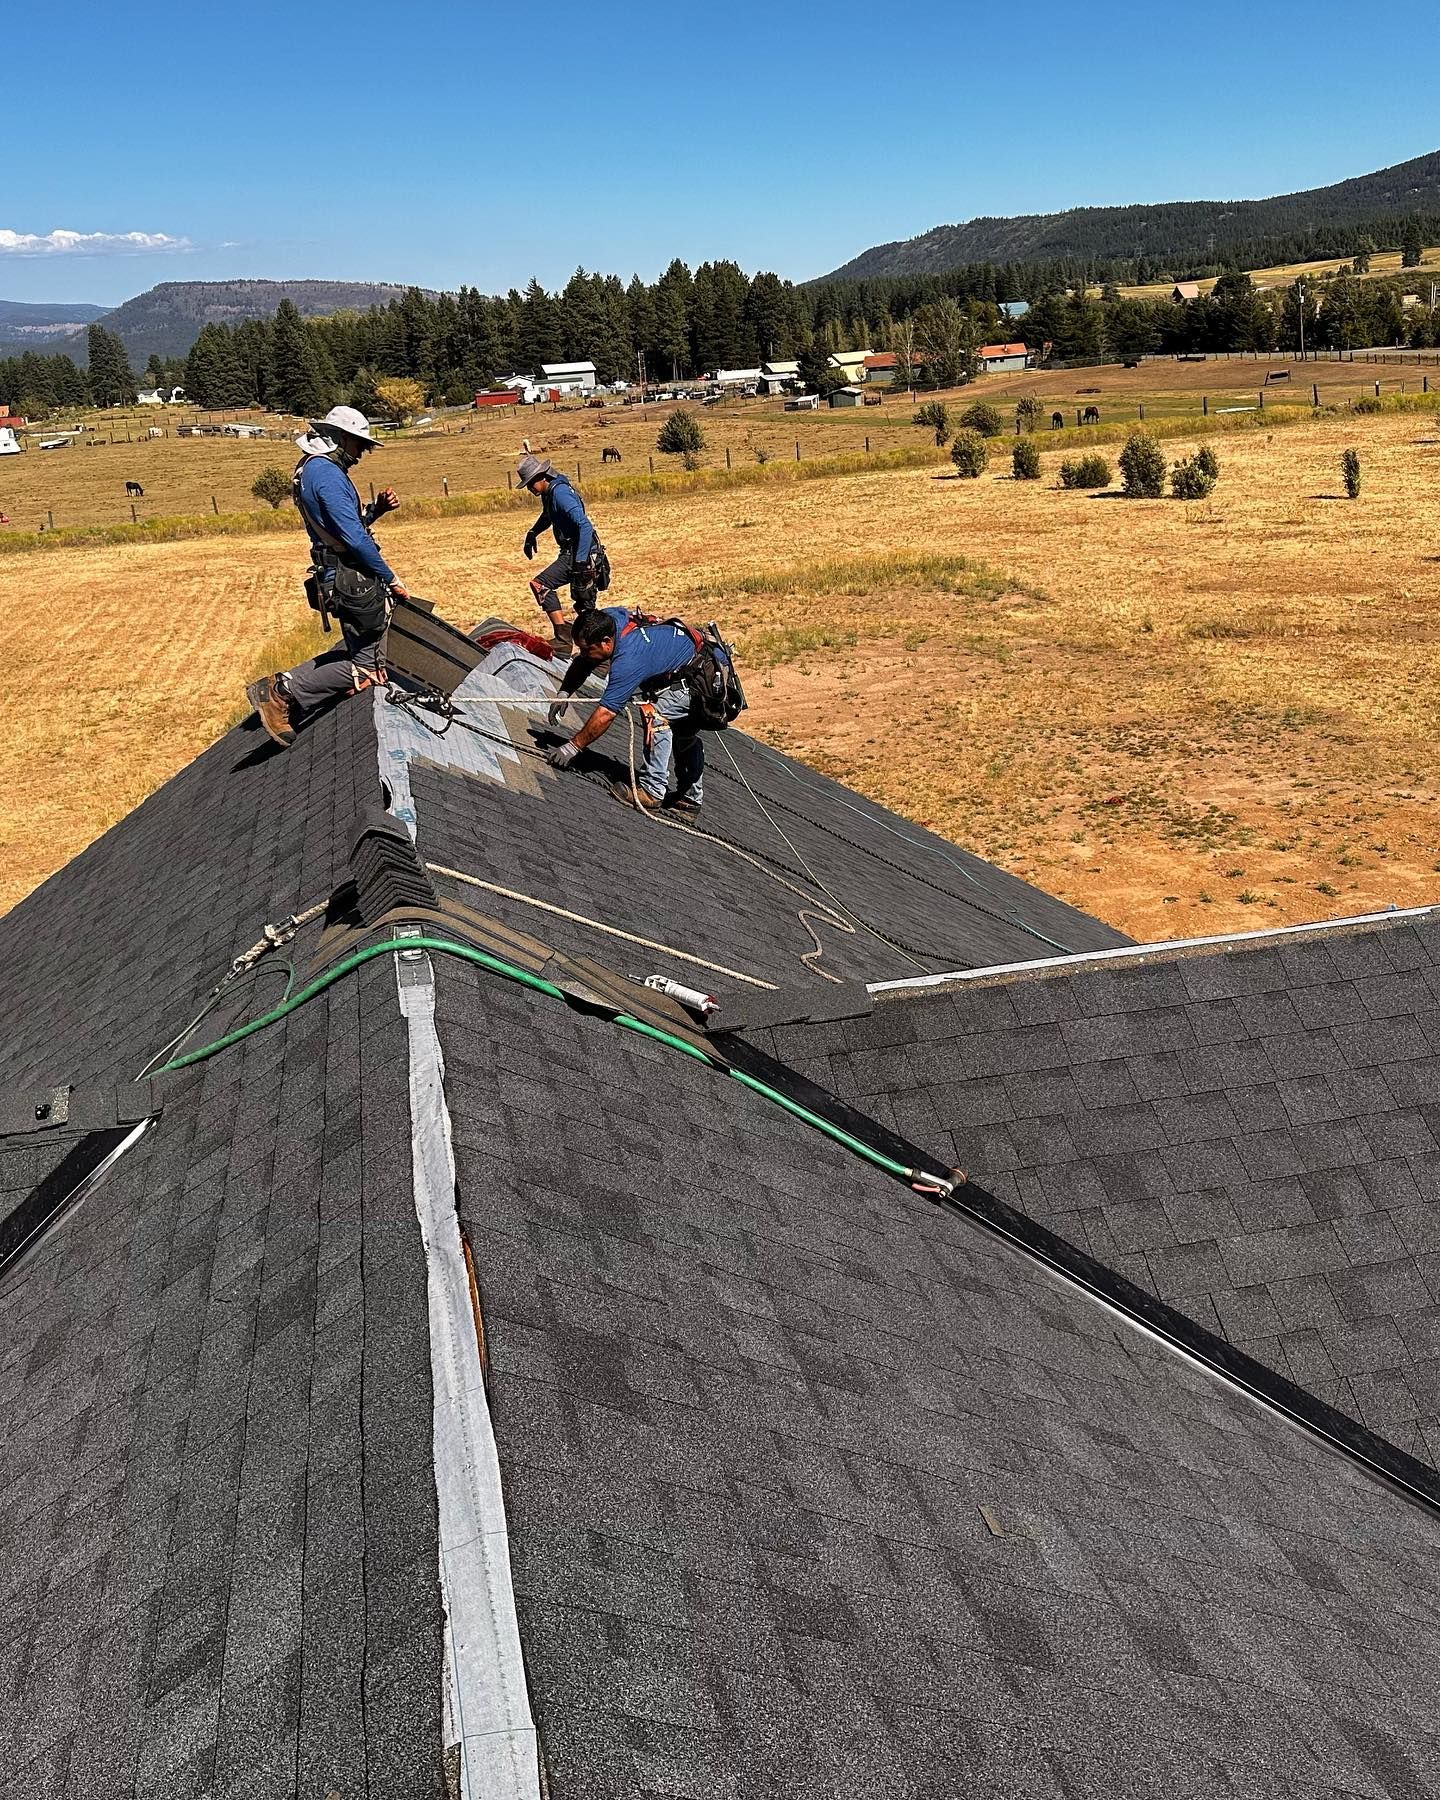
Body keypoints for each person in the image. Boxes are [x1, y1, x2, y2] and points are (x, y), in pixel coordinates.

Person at [248, 405, 411, 748]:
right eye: (359, 445)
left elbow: (342, 529)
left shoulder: (310, 469)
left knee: (361, 652)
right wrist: (391, 577)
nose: (361, 453)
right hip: (352, 577)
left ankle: (282, 684)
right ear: (340, 439)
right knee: (369, 667)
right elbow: (353, 539)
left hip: (336, 572)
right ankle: (282, 694)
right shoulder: (328, 476)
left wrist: (376, 511)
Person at [545, 605, 709, 815]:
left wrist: (572, 747)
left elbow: (606, 714)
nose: (583, 654)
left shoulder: (629, 660)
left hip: (700, 682)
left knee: (657, 714)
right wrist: (565, 691)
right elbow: (586, 660)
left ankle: (652, 791)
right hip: (694, 670)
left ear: (606, 642)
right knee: (684, 734)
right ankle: (690, 801)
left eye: (586, 649)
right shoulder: (608, 620)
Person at [515, 452, 606, 652]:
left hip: (580, 552)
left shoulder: (560, 494)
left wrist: (581, 561)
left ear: (542, 476)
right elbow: (548, 515)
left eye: (531, 483)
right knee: (585, 608)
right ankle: (588, 647)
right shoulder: (550, 492)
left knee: (541, 584)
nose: (529, 488)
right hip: (575, 551)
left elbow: (584, 525)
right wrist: (533, 532)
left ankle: (565, 640)